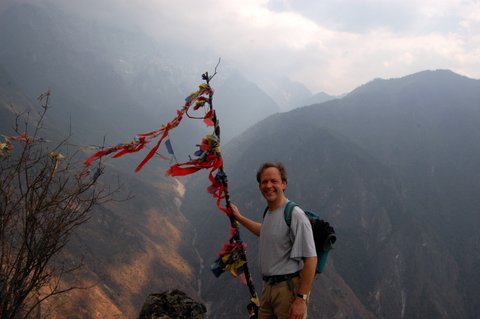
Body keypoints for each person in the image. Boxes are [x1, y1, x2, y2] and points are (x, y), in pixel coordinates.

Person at [231, 162, 317, 319]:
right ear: (259, 186)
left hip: (287, 291)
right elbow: (265, 231)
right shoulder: (270, 212)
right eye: (264, 182)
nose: (268, 185)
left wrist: (301, 299)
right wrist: (239, 218)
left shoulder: (295, 214)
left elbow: (311, 259)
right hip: (268, 290)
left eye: (274, 181)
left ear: (284, 184)